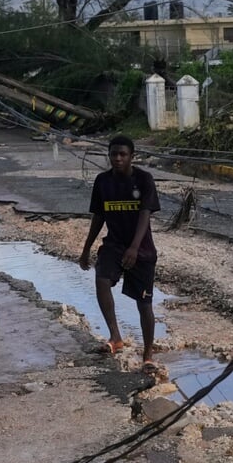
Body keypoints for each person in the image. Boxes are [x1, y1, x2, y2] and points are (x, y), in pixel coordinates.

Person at [78, 134, 161, 361]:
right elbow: (98, 217)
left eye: (123, 154)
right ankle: (115, 337)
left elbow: (145, 215)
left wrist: (134, 248)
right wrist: (86, 249)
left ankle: (148, 354)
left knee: (144, 304)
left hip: (141, 249)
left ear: (132, 157)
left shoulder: (144, 179)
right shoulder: (103, 181)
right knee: (102, 280)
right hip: (113, 245)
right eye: (114, 154)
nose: (117, 158)